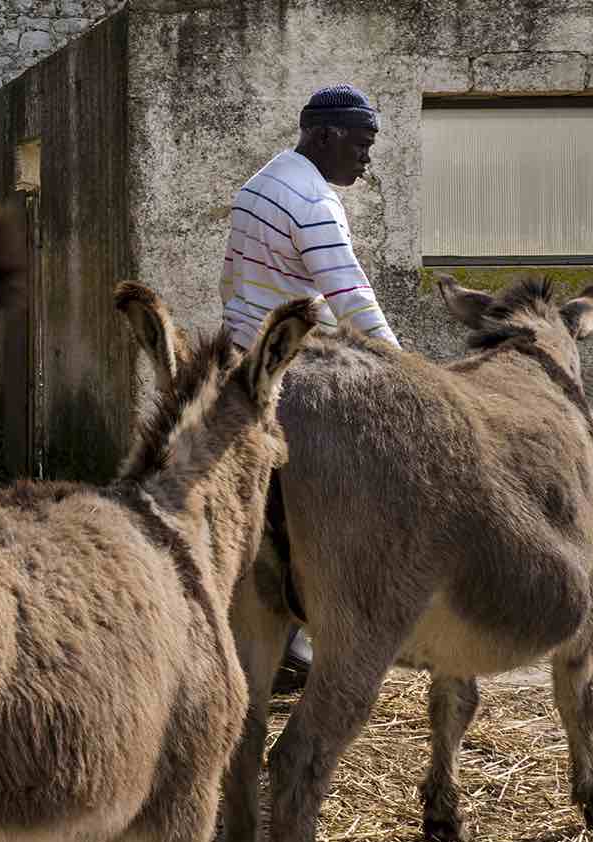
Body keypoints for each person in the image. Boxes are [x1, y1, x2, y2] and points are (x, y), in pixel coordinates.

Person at [217, 83, 400, 690]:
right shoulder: (312, 201)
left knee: (264, 512)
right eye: (361, 143)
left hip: (245, 364)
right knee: (323, 514)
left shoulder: (259, 185)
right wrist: (404, 375)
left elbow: (231, 281)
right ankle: (301, 639)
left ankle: (267, 640)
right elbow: (352, 298)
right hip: (297, 377)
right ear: (324, 135)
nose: (367, 158)